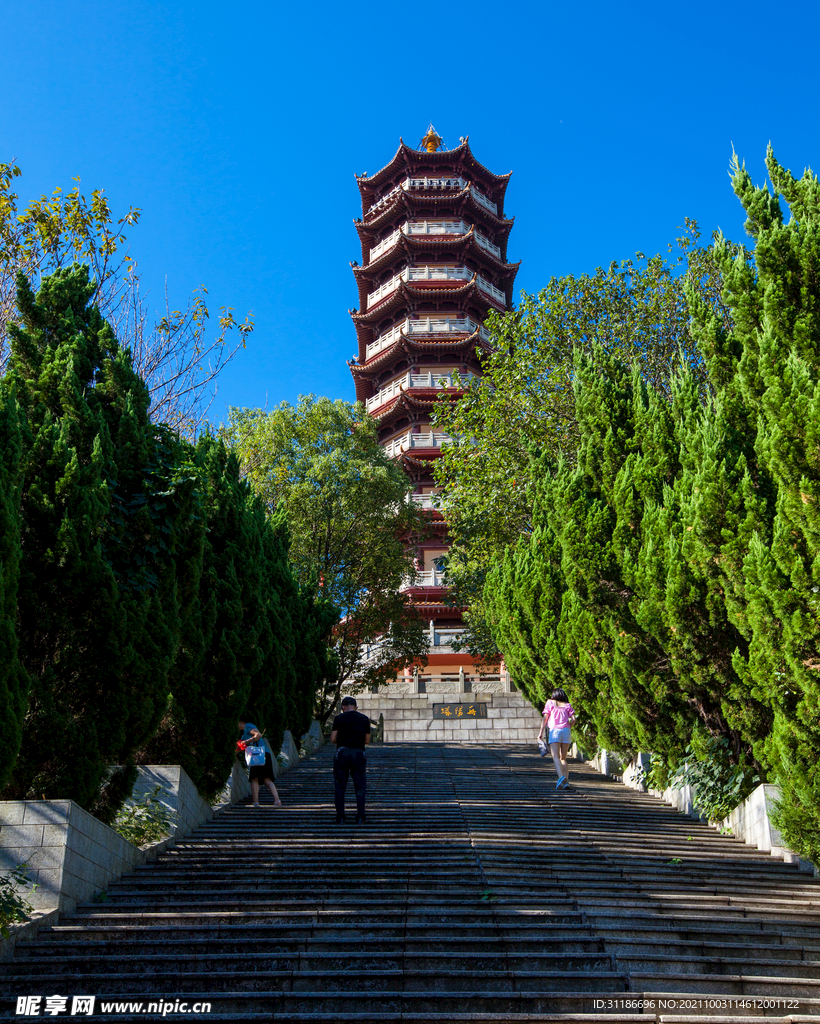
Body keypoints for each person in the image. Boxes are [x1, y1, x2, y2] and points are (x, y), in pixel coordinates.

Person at [330, 696, 370, 824]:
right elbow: (367, 740)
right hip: (358, 752)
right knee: (360, 786)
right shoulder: (364, 719)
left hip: (342, 752)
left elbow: (332, 738)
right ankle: (360, 816)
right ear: (355, 706)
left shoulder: (339, 718)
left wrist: (341, 741)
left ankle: (340, 816)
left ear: (343, 706)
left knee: (340, 786)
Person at [238, 715, 282, 808]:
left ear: (240, 722)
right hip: (265, 754)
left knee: (254, 778)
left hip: (257, 755)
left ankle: (255, 802)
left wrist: (247, 741)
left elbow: (258, 735)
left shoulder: (248, 726)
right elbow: (240, 747)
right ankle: (277, 800)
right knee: (267, 779)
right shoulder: (243, 735)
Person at [538, 688, 576, 789]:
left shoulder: (550, 702)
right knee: (563, 758)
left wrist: (540, 734)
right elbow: (574, 719)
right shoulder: (567, 705)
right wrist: (568, 727)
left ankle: (561, 778)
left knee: (555, 756)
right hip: (566, 731)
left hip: (555, 731)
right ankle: (566, 782)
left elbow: (545, 718)